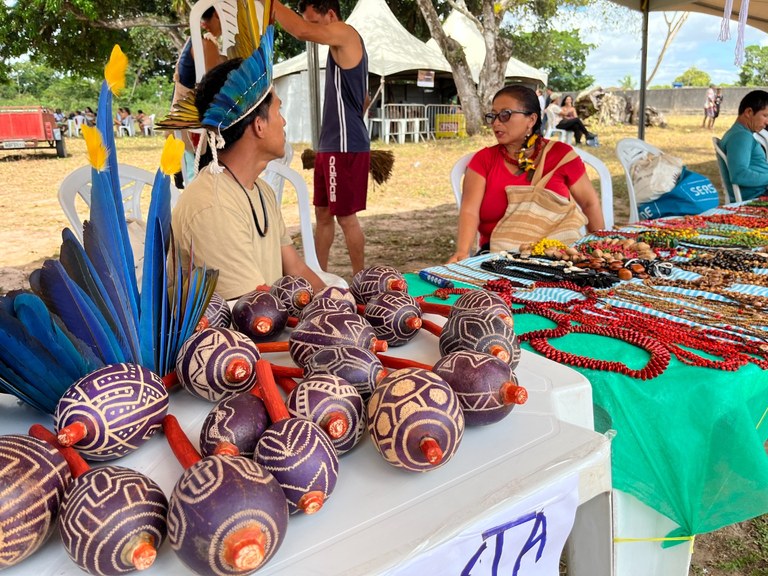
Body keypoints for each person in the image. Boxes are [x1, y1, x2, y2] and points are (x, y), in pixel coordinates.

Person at [170, 33, 325, 301]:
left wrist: (341, 304)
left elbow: (295, 268)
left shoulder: (260, 190)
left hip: (266, 320)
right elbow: (254, 307)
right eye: (278, 111)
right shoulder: (213, 207)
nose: (284, 122)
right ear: (259, 125)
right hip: (240, 336)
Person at [446, 85, 604, 263]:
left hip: (559, 259)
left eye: (505, 115)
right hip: (499, 258)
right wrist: (462, 252)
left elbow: (590, 203)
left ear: (531, 119)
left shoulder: (561, 155)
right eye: (493, 116)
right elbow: (470, 210)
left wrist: (597, 249)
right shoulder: (484, 160)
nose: (496, 123)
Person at [274, 0, 370, 276]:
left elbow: (301, 32)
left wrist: (270, 4)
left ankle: (361, 280)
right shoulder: (340, 48)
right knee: (323, 215)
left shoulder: (345, 32)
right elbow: (363, 99)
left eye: (314, 21)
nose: (311, 30)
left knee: (346, 218)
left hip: (343, 146)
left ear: (331, 15)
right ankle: (317, 275)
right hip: (335, 144)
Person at [171, 6, 226, 183]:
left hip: (186, 128)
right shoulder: (204, 44)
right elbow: (213, 88)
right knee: (197, 184)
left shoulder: (200, 41)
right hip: (193, 131)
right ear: (219, 14)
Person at [719, 90, 768, 201]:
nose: (767, 122)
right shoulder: (741, 136)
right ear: (749, 112)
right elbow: (739, 175)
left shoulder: (740, 133)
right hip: (758, 194)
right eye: (765, 115)